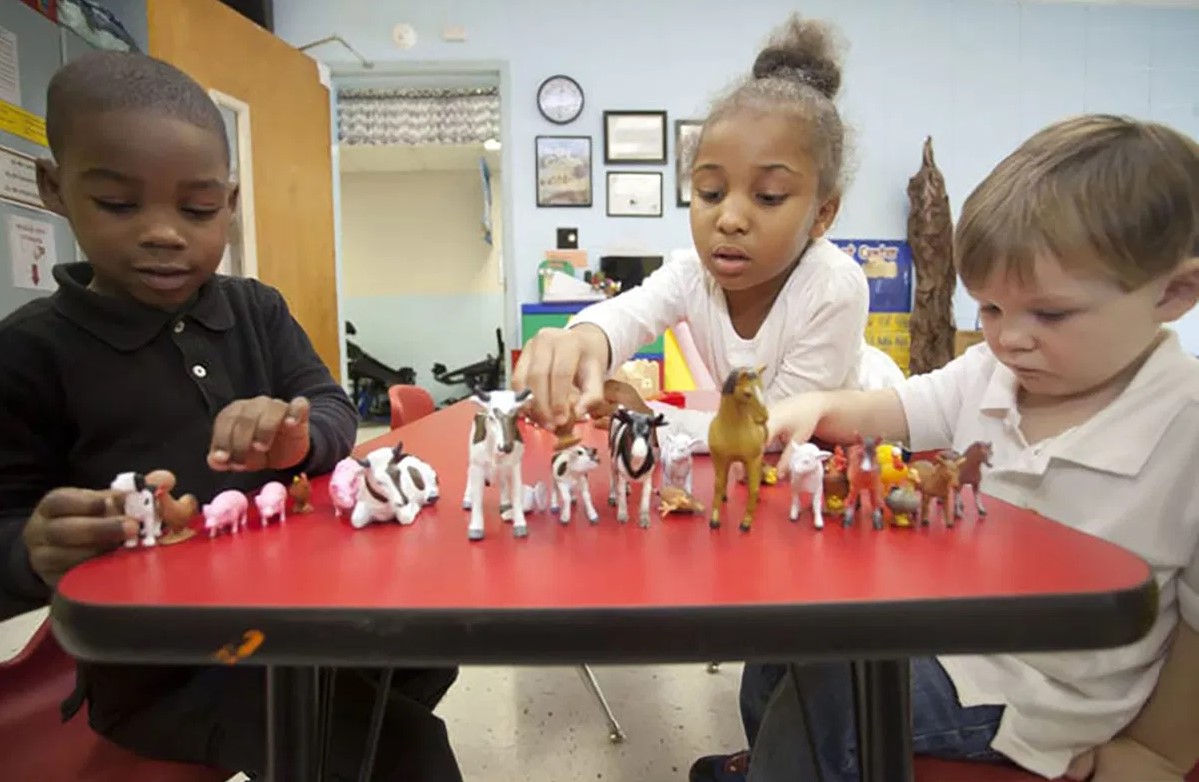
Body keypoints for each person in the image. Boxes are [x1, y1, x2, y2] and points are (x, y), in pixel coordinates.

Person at [0, 51, 461, 782]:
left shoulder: (257, 311)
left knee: (429, 645)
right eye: (118, 204)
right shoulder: (30, 352)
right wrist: (36, 548)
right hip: (167, 665)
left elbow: (334, 409)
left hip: (297, 612)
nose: (163, 233)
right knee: (402, 753)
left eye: (197, 209)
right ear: (54, 188)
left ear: (231, 201)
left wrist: (298, 439)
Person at [698, 114, 1199, 782]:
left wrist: (1158, 753)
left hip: (1040, 696)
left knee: (835, 698)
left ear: (1173, 292)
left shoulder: (1185, 425)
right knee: (786, 635)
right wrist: (815, 407)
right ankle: (775, 764)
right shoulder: (992, 373)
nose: (1009, 338)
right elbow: (895, 410)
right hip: (945, 627)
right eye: (989, 310)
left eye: (1049, 314)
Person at [513, 14, 902, 441]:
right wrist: (581, 340)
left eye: (769, 196)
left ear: (822, 213)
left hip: (868, 444)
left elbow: (772, 429)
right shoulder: (692, 274)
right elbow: (628, 313)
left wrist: (649, 418)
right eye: (711, 192)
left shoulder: (833, 286)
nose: (729, 219)